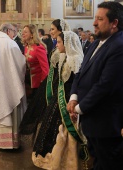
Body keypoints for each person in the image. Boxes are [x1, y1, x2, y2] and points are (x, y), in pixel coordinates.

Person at [20, 19, 86, 169]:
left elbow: (77, 83)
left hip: (68, 99)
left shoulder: (75, 60)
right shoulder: (61, 54)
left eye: (60, 42)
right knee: (52, 129)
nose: (56, 44)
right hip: (58, 95)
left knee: (65, 133)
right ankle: (51, 159)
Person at [67, 2, 123, 170]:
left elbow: (105, 85)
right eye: (95, 18)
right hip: (93, 120)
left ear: (114, 23)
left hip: (106, 123)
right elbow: (80, 73)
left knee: (107, 163)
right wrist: (73, 97)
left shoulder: (119, 46)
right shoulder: (95, 44)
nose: (94, 23)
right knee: (97, 159)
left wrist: (78, 109)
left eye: (100, 19)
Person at [22, 24, 49, 98]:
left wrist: (43, 85)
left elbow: (45, 68)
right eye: (23, 32)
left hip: (38, 83)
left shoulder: (39, 47)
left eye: (25, 32)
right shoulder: (27, 46)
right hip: (28, 82)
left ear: (32, 34)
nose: (23, 34)